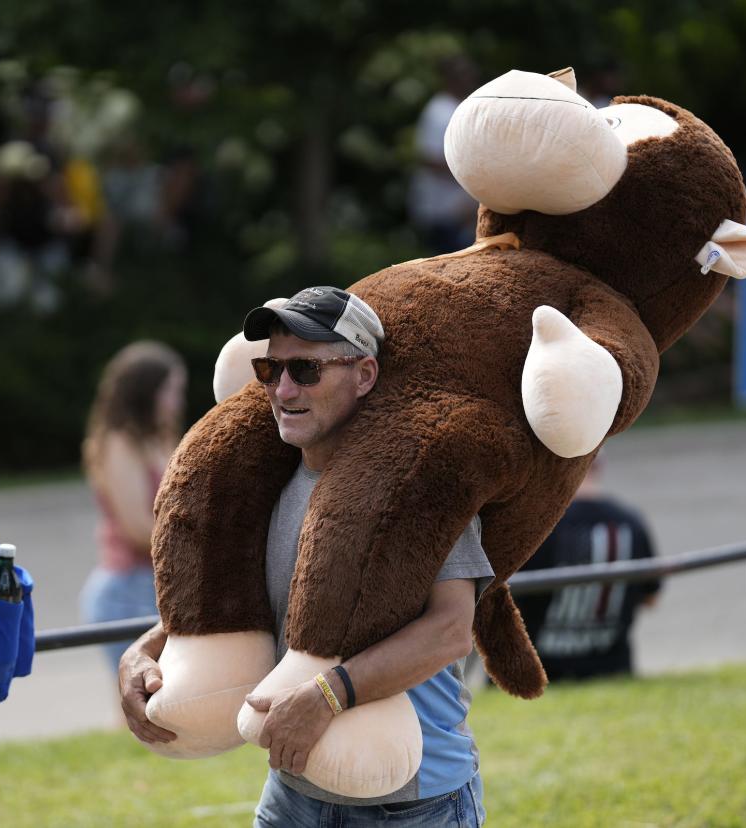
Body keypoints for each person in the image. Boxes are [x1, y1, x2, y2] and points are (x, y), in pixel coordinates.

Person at [119, 286, 491, 826]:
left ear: (364, 375)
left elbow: (451, 630)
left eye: (307, 370)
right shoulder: (267, 481)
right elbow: (252, 605)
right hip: (294, 792)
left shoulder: (416, 483)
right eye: (271, 370)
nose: (283, 388)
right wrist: (144, 649)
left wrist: (328, 696)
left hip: (414, 802)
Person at [80, 340, 186, 672]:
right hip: (126, 590)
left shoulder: (161, 436)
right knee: (145, 703)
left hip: (159, 582)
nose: (176, 401)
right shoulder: (119, 442)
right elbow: (138, 529)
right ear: (145, 392)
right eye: (170, 390)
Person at [515, 459, 661, 681]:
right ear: (598, 465)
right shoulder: (631, 521)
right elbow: (651, 598)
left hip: (537, 673)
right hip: (611, 669)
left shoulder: (532, 525)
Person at [408, 55, 482, 254]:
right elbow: (430, 159)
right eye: (463, 75)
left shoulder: (464, 107)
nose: (469, 79)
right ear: (449, 78)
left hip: (462, 214)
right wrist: (476, 180)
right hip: (443, 213)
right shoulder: (438, 111)